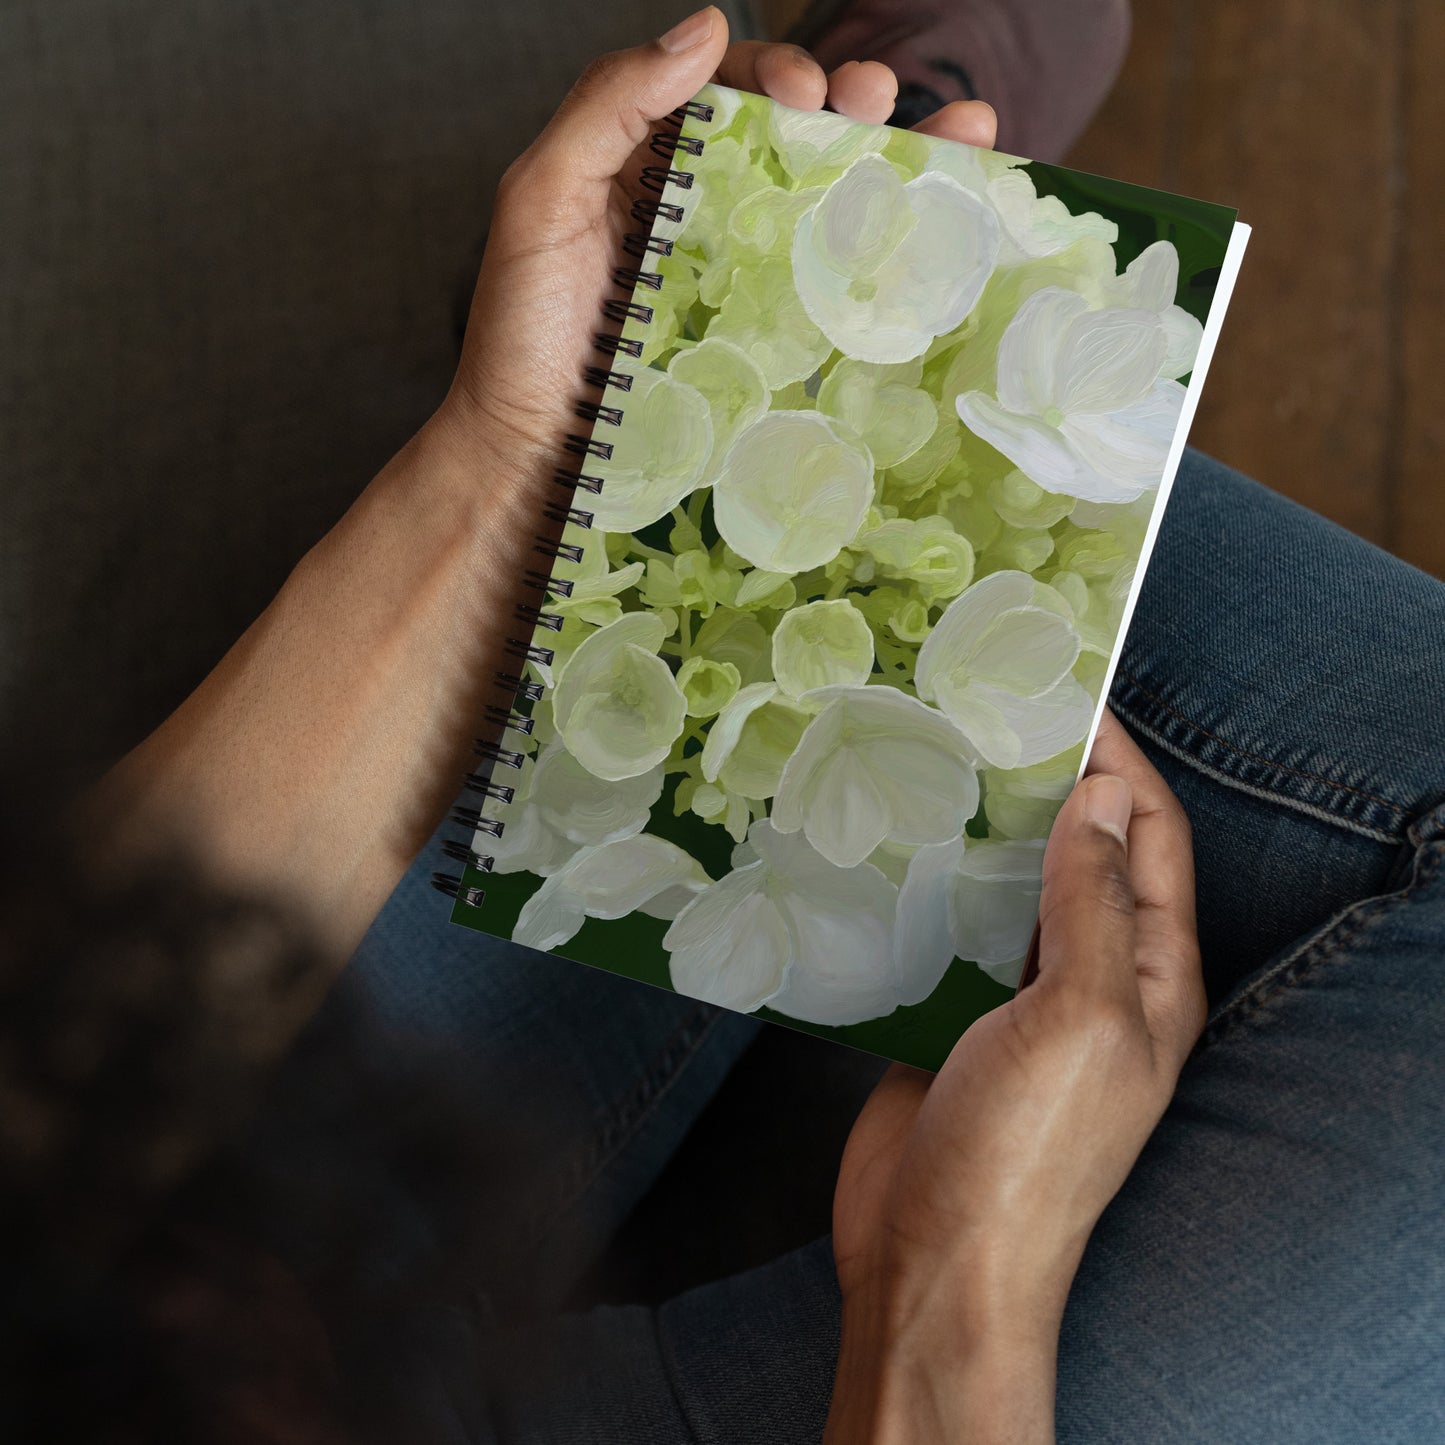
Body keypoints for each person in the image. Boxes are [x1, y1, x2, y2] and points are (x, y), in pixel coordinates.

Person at [3, 7, 1442, 1442]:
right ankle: (891, 286)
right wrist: (947, 1295)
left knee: (620, 591)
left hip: (141, 1284)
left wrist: (501, 465)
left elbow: (48, 1073)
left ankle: (790, 301)